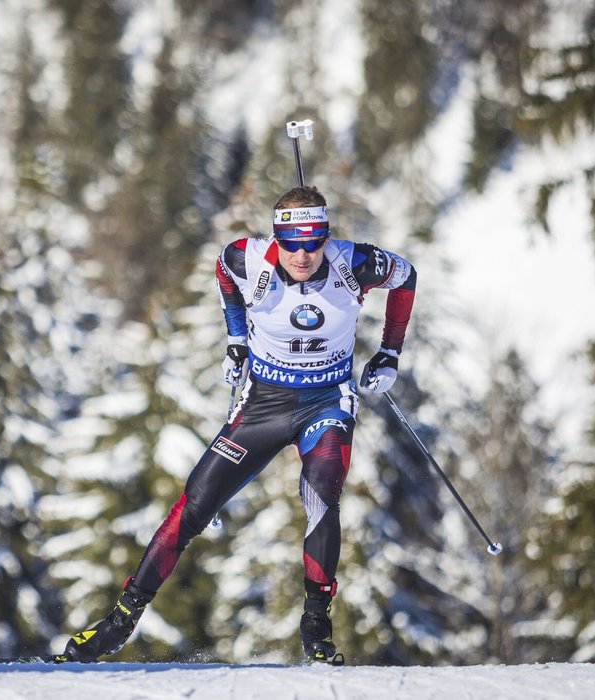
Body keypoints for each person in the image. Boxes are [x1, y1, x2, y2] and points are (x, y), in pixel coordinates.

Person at [63, 185, 416, 663]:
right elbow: (223, 272)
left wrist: (390, 352)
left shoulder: (356, 264)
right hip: (263, 405)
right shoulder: (247, 259)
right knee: (193, 506)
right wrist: (236, 340)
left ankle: (316, 624)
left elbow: (407, 276)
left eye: (314, 242)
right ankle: (120, 621)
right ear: (277, 237)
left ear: (327, 237)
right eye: (291, 242)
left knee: (322, 493)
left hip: (326, 401)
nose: (303, 254)